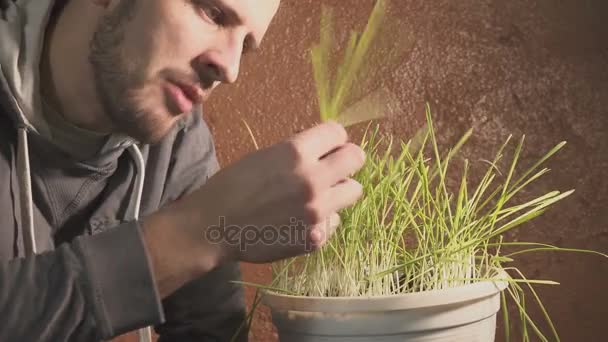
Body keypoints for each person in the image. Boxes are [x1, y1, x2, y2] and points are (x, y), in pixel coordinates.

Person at [0, 0, 366, 341]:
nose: (230, 69)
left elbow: (210, 329)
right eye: (212, 13)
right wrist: (198, 231)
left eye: (246, 45)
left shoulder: (178, 145)